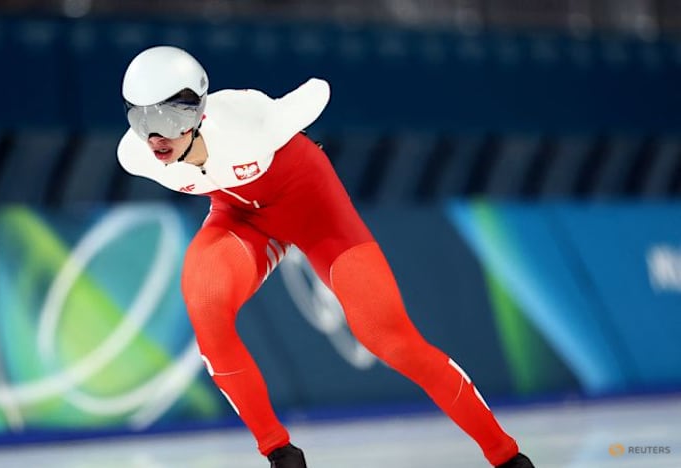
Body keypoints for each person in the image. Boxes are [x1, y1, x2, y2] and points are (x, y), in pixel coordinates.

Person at [117, 45, 535, 468]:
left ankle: (506, 456)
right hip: (241, 217)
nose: (156, 137)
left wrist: (283, 115)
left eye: (168, 118)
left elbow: (319, 90)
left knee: (390, 339)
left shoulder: (249, 125)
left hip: (313, 208)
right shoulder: (135, 156)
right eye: (140, 119)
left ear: (197, 112)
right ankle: (280, 453)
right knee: (206, 307)